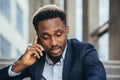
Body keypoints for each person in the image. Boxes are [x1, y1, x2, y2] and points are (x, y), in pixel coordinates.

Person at [0, 4, 106, 80]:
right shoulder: (34, 55)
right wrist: (21, 64)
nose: (54, 42)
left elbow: (97, 76)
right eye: (46, 37)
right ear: (38, 37)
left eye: (58, 34)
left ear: (66, 31)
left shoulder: (84, 51)